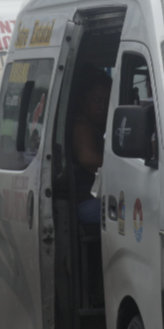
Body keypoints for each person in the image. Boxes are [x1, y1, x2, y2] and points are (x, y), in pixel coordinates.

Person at [72, 72, 112, 225]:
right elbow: (89, 160)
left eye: (107, 101)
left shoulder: (101, 125)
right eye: (96, 100)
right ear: (83, 102)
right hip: (88, 201)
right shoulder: (82, 126)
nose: (102, 107)